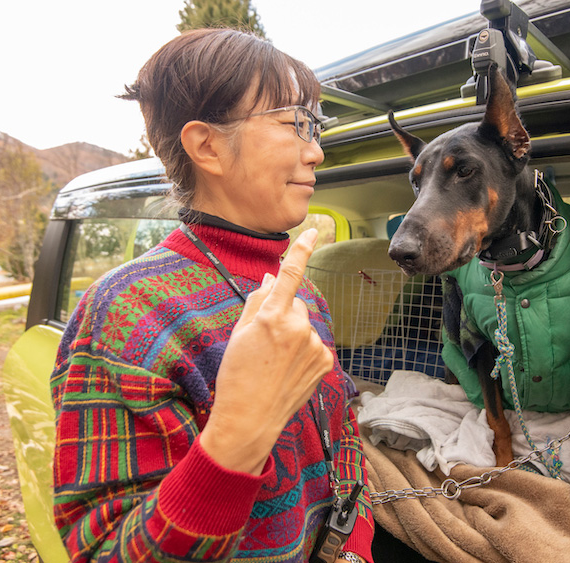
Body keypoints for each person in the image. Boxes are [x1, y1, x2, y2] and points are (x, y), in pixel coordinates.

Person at [50, 28, 373, 563]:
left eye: (315, 127)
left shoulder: (304, 292)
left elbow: (342, 435)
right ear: (207, 146)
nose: (316, 151)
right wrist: (239, 432)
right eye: (296, 123)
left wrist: (354, 541)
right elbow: (106, 550)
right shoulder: (128, 312)